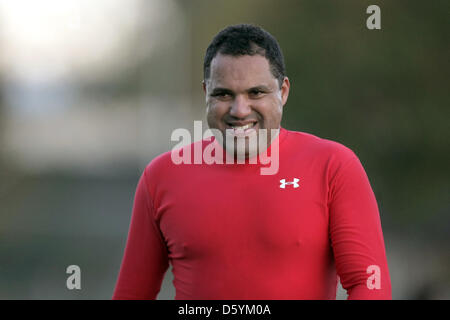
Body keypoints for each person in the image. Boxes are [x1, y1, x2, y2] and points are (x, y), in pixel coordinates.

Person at [112, 24, 392, 300]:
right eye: (223, 94)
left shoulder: (333, 167)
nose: (239, 110)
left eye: (255, 93)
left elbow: (370, 285)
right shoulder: (161, 177)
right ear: (205, 93)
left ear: (282, 91)